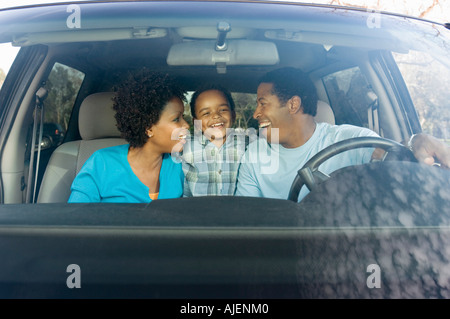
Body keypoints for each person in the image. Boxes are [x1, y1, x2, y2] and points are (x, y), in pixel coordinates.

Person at [235, 67, 450, 202]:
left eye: (262, 104)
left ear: (293, 105)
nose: (255, 114)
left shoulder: (350, 140)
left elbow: (391, 156)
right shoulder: (254, 154)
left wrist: (416, 141)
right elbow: (246, 218)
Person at [68, 70, 190, 203]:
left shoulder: (180, 166)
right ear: (148, 128)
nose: (186, 125)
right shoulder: (101, 164)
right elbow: (75, 218)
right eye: (176, 119)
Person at [180, 84, 249, 196]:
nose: (216, 116)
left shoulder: (247, 146)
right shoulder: (186, 149)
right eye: (206, 113)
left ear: (233, 115)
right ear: (196, 123)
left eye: (223, 110)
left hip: (237, 212)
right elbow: (184, 192)